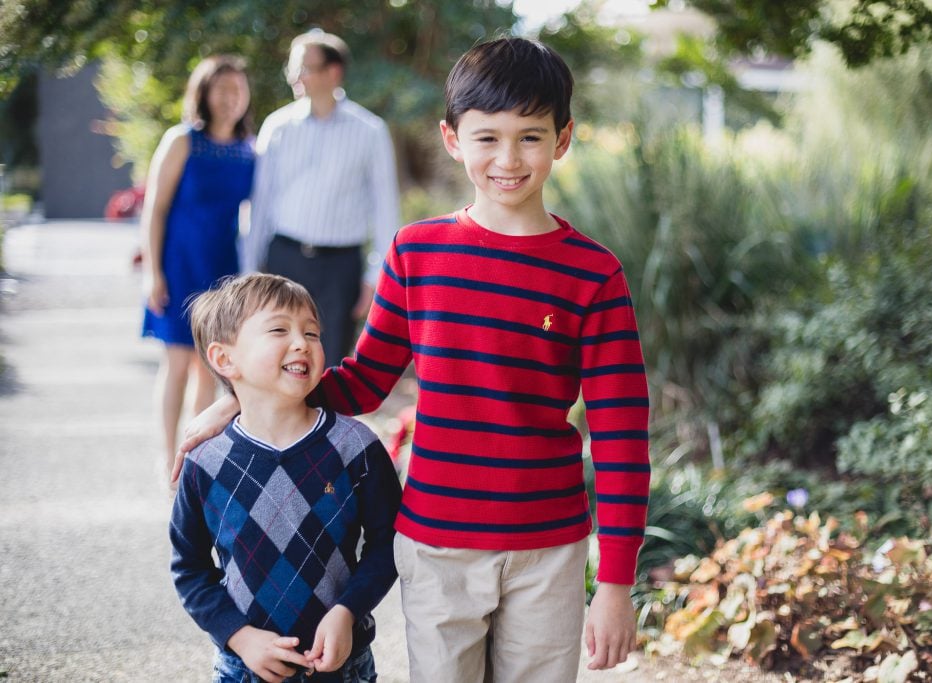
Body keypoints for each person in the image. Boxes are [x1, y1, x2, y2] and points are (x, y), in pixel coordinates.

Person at [178, 37, 650, 682]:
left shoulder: (592, 274)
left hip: (549, 547)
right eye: (487, 138)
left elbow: (622, 434)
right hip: (435, 544)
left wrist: (617, 584)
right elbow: (364, 381)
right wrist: (240, 400)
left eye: (530, 138)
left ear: (563, 139)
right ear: (453, 138)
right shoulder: (416, 253)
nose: (508, 159)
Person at [170, 273, 401, 683]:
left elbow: (387, 546)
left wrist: (348, 612)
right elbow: (190, 568)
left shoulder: (355, 448)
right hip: (245, 668)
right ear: (225, 360)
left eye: (312, 332)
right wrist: (238, 636)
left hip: (344, 665)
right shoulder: (206, 463)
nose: (302, 342)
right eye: (279, 329)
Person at [245, 29, 401, 366]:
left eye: (304, 68)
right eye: (292, 68)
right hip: (283, 260)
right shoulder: (277, 126)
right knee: (275, 360)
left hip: (340, 268)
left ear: (333, 72)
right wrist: (249, 270)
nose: (294, 76)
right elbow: (260, 204)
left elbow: (385, 209)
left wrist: (374, 280)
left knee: (327, 365)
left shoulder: (370, 131)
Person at [140, 55, 255, 480]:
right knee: (176, 363)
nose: (231, 98)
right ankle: (167, 456)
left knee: (211, 367)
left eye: (238, 90)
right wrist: (153, 271)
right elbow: (155, 208)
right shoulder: (181, 140)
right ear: (204, 93)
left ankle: (195, 463)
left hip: (223, 270)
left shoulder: (249, 150)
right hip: (178, 263)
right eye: (222, 89)